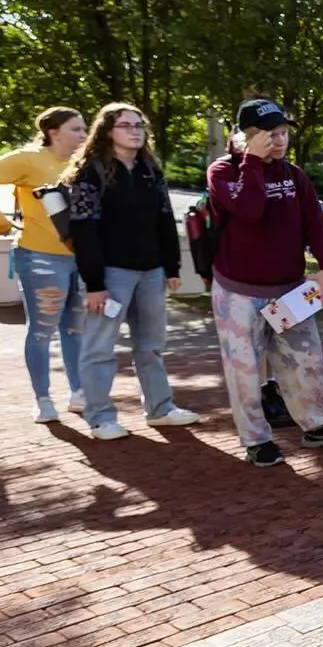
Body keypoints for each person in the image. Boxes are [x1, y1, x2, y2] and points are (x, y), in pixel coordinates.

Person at [206, 98, 323, 466]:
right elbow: (250, 209)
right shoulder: (223, 172)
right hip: (238, 293)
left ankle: (317, 426)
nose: (278, 140)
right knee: (243, 370)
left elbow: (315, 223)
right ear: (246, 137)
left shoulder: (294, 175)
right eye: (267, 134)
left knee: (306, 363)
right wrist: (253, 162)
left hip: (290, 292)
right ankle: (256, 440)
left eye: (282, 132)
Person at [64, 103, 197, 439]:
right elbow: (84, 230)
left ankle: (160, 409)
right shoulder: (89, 172)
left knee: (151, 345)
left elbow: (164, 219)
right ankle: (100, 417)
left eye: (139, 125)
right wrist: (94, 283)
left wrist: (171, 265)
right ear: (108, 130)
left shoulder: (150, 169)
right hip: (110, 273)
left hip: (151, 272)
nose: (135, 131)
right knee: (99, 348)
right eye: (126, 125)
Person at [0, 108, 89, 422]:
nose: (84, 136)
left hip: (83, 260)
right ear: (54, 132)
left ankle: (79, 392)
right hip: (40, 257)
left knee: (75, 329)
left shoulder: (84, 163)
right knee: (42, 332)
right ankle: (43, 400)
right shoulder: (28, 159)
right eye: (76, 129)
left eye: (85, 129)